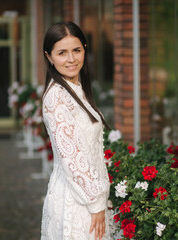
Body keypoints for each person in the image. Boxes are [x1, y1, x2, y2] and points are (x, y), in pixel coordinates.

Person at [41, 22, 111, 240]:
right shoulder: (57, 96)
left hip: (88, 200)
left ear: (85, 49)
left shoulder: (76, 89)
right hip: (76, 202)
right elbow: (73, 158)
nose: (71, 59)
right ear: (49, 57)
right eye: (62, 53)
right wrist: (96, 203)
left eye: (76, 50)